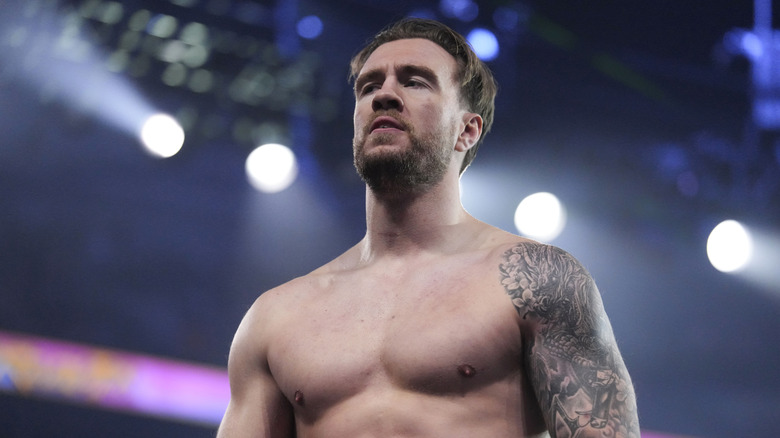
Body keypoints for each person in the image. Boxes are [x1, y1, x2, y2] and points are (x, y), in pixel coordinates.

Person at [217, 18, 639, 438]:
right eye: (368, 86)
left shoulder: (535, 279)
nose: (384, 95)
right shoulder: (277, 317)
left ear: (466, 130)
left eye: (415, 82)